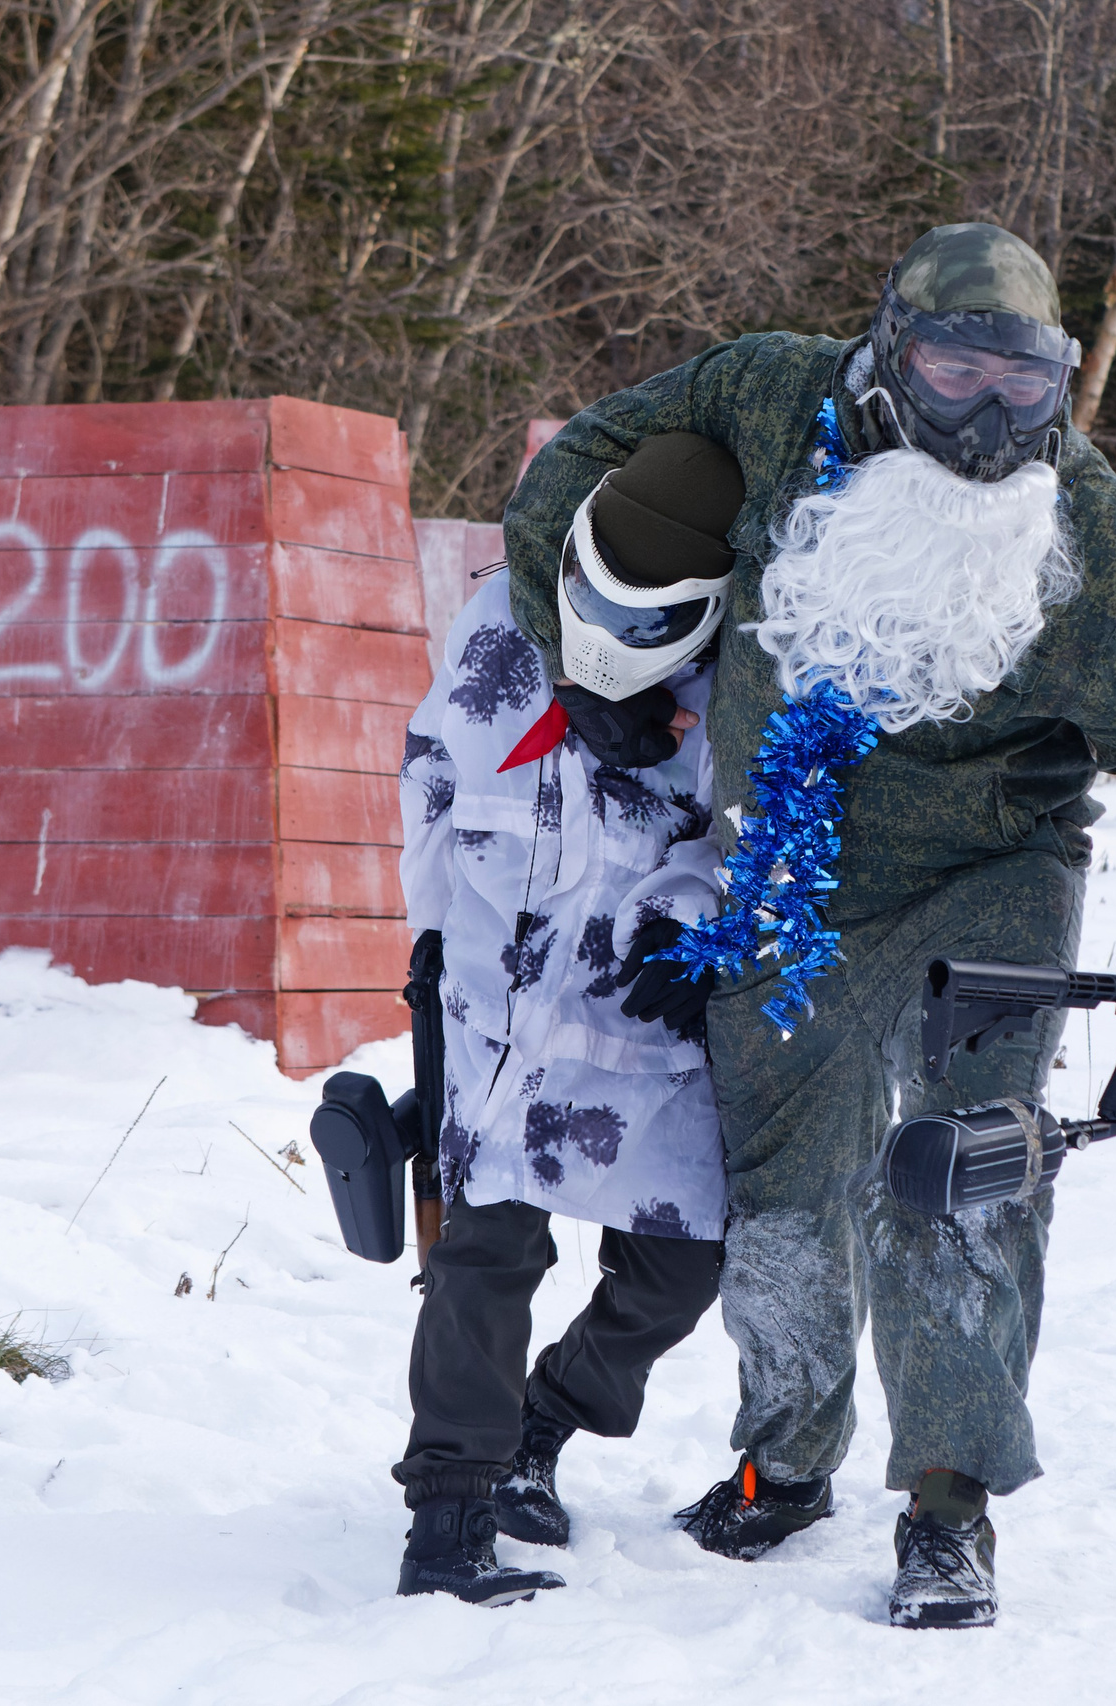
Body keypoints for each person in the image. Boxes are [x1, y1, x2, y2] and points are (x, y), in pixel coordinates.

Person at [500, 223, 1116, 1627]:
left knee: (963, 1172)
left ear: (1061, 388)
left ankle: (948, 1507)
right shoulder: (769, 398)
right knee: (786, 1182)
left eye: (1022, 386)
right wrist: (581, 663)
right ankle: (785, 1459)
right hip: (797, 875)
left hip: (999, 862)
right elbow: (574, 465)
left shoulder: (1085, 524)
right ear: (887, 351)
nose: (985, 414)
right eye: (953, 368)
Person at [389, 432, 746, 1604]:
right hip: (496, 999)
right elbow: (436, 781)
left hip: (640, 1012)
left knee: (679, 1264)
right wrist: (432, 956)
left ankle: (545, 1425)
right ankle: (450, 1507)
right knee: (483, 1253)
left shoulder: (744, 677)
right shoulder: (497, 623)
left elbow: (764, 830)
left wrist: (701, 929)